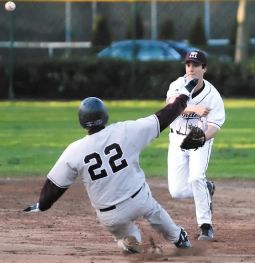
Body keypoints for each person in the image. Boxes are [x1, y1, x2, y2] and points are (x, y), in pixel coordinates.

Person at [23, 81, 198, 254]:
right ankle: (178, 237)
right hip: (138, 199)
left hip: (109, 215)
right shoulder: (125, 131)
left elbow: (55, 186)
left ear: (82, 122)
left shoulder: (74, 150)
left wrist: (43, 204)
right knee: (153, 210)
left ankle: (130, 240)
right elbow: (164, 116)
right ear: (105, 115)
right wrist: (183, 96)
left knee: (123, 234)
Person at [166, 50, 225, 241]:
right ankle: (207, 188)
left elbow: (215, 126)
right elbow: (171, 105)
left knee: (196, 177)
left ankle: (205, 226)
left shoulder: (212, 95)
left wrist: (201, 139)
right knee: (176, 191)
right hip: (176, 139)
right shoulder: (177, 84)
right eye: (188, 64)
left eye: (196, 65)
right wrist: (194, 109)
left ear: (204, 69)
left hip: (199, 139)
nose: (191, 68)